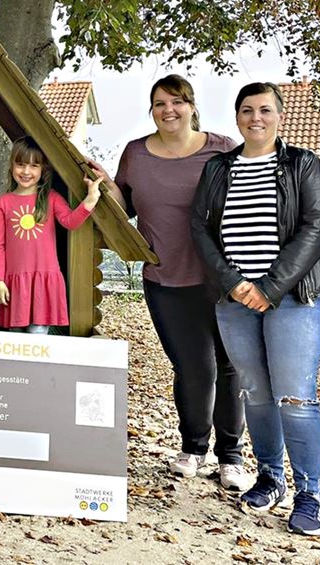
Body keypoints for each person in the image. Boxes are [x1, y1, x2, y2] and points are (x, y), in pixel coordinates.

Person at [191, 82, 320, 536]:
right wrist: (233, 283)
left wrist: (270, 287)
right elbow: (200, 227)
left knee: (294, 395)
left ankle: (310, 492)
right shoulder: (218, 168)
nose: (256, 118)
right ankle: (271, 477)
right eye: (247, 110)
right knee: (255, 391)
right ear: (237, 117)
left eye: (265, 110)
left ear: (279, 116)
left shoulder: (301, 164)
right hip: (234, 301)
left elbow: (316, 226)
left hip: (293, 298)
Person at [94, 74, 247, 489]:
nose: (169, 110)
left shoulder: (223, 149)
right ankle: (194, 447)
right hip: (165, 278)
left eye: (177, 102)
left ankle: (231, 456)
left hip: (221, 278)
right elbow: (123, 207)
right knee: (192, 366)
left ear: (192, 106)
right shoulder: (136, 154)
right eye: (160, 103)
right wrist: (107, 183)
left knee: (229, 365)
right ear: (152, 110)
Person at [0, 136, 101, 333]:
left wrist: (90, 199)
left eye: (34, 165)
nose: (26, 171)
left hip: (43, 284)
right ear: (12, 166)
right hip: (14, 284)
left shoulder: (51, 198)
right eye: (21, 164)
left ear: (43, 169)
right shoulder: (3, 202)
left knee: (38, 338)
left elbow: (70, 221)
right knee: (14, 343)